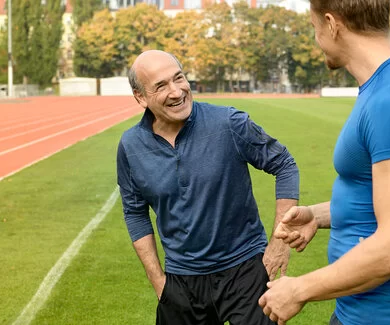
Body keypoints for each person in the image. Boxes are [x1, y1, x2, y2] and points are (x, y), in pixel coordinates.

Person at [259, 1, 390, 324]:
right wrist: (317, 216)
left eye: (314, 27)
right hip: (360, 311)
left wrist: (299, 289)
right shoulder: (384, 88)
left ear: (332, 25)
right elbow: (378, 197)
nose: (316, 38)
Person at [116, 50, 300, 325]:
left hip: (246, 270)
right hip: (181, 282)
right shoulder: (130, 146)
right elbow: (135, 212)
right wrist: (159, 281)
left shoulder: (228, 123)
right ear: (140, 97)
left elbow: (284, 164)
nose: (177, 91)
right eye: (161, 86)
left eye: (179, 78)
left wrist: (279, 242)